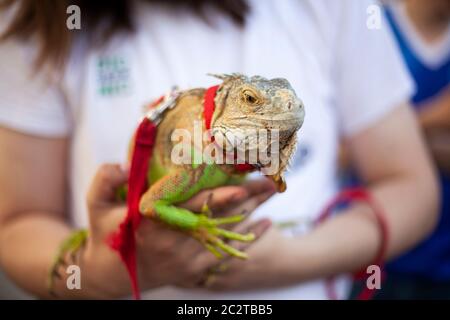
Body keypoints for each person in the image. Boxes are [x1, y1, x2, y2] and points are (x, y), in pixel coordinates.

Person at [0, 0, 439, 299]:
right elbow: (17, 223)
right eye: (252, 103)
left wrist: (290, 261)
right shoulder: (46, 20)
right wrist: (101, 269)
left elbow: (413, 188)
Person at [375, 0, 450, 299]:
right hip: (376, 255)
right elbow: (342, 147)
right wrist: (436, 117)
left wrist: (389, 137)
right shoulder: (372, 27)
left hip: (442, 263)